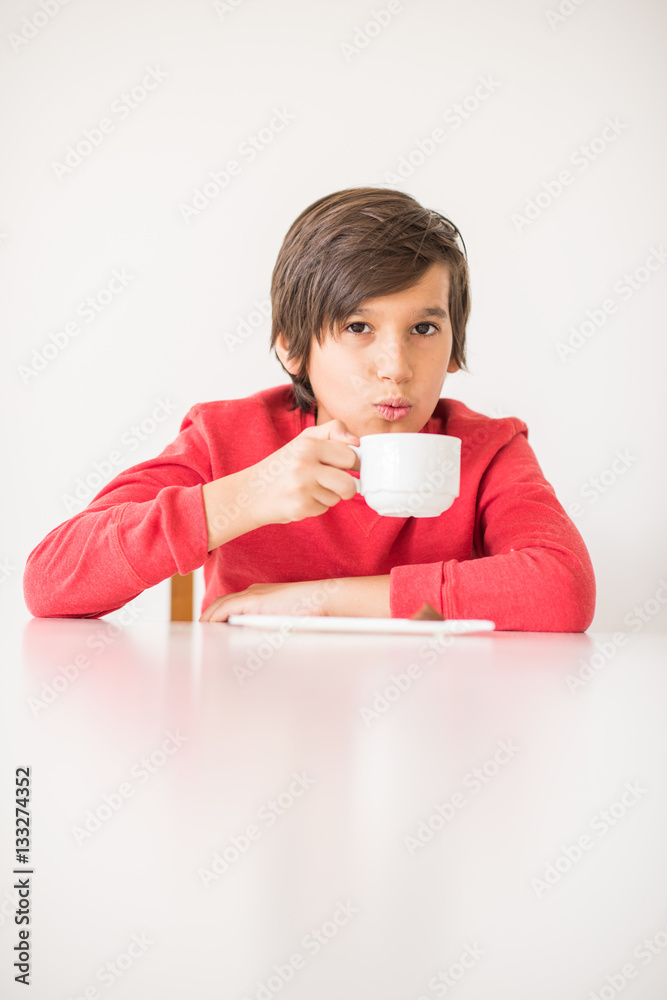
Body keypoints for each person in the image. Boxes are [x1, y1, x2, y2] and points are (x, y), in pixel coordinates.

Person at [23, 186, 596, 630]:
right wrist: (244, 497)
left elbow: (563, 589)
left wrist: (321, 601)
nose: (396, 367)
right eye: (358, 327)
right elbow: (50, 580)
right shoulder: (226, 437)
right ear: (293, 348)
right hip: (253, 720)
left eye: (423, 328)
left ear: (453, 346)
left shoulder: (489, 450)